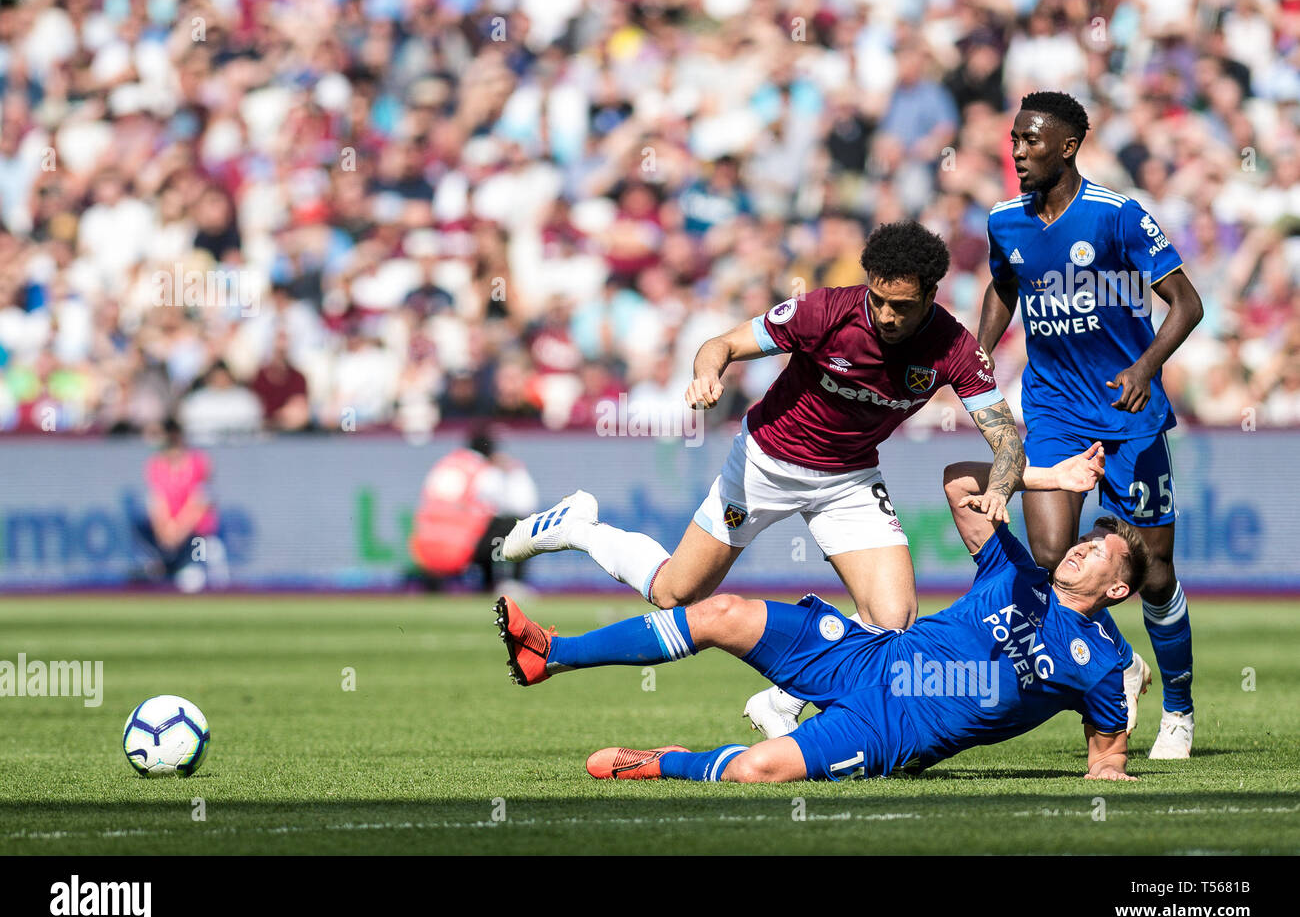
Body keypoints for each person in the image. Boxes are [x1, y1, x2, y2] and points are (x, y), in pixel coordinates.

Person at [502, 221, 1024, 732]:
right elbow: (721, 344)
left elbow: (1005, 440)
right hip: (765, 463)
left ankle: (781, 702)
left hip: (849, 478)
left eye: (902, 306)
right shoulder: (825, 309)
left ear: (932, 294)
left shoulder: (954, 348)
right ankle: (579, 528)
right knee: (673, 596)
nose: (886, 316)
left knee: (893, 620)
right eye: (878, 300)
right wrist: (706, 373)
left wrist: (1000, 489)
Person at [496, 444, 1147, 783]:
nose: (1083, 547)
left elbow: (1107, 757)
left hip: (893, 728)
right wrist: (1047, 479)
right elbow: (959, 480)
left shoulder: (1104, 662)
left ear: (1117, 591)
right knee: (719, 610)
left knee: (757, 770)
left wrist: (1109, 771)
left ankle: (663, 761)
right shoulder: (1017, 572)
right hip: (867, 654)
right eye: (1086, 539)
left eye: (1099, 554)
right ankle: (554, 653)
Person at [977, 91, 1205, 758]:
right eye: (1014, 139)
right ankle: (1122, 663)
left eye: (1031, 140)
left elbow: (1187, 304)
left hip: (1127, 413)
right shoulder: (1004, 220)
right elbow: (1003, 285)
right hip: (1050, 408)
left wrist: (1144, 369)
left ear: (1069, 145)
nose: (1018, 151)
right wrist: (980, 352)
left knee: (1153, 569)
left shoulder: (1117, 215)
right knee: (1050, 555)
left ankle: (1180, 710)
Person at [408, 426, 539, 592]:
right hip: (460, 548)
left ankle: (487, 585)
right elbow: (522, 505)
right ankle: (514, 584)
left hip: (425, 549)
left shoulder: (445, 464)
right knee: (519, 526)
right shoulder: (483, 471)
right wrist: (514, 471)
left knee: (486, 525)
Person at [136, 418, 225, 590]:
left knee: (194, 579)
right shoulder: (155, 465)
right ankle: (164, 563)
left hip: (195, 533)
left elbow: (199, 501)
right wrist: (166, 530)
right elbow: (157, 502)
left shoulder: (198, 462)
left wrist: (179, 529)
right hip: (169, 534)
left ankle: (199, 564)